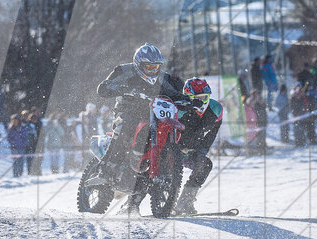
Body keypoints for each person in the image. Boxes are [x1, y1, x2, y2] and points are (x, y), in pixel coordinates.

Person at [90, 44, 189, 201]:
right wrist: (123, 89)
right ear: (139, 64)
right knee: (126, 126)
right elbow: (103, 88)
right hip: (127, 111)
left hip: (153, 114)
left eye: (155, 66)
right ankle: (106, 169)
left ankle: (161, 170)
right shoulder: (124, 70)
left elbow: (175, 91)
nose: (152, 70)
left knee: (167, 129)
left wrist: (187, 99)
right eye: (149, 66)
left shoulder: (163, 77)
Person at [174, 78, 224, 215]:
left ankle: (185, 201)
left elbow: (211, 135)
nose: (200, 101)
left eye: (204, 97)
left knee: (205, 165)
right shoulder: (177, 108)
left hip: (193, 149)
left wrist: (202, 151)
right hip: (172, 148)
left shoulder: (216, 109)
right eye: (196, 98)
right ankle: (135, 202)